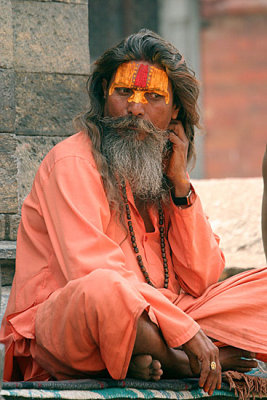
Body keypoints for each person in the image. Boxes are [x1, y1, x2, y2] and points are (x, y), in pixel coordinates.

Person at [0, 29, 266, 396]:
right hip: (72, 326)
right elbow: (93, 271)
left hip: (161, 318)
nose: (135, 108)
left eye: (153, 96)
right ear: (105, 93)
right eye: (124, 92)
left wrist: (181, 189)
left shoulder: (165, 175)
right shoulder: (72, 162)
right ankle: (179, 360)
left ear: (175, 112)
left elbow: (203, 278)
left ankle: (146, 350)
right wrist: (186, 334)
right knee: (104, 290)